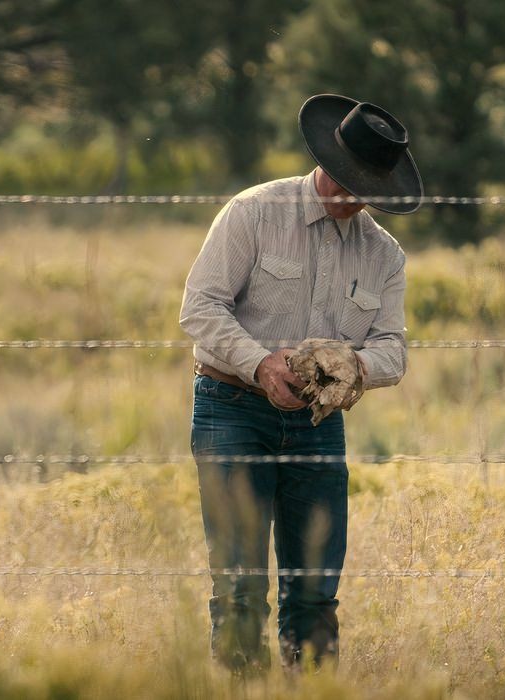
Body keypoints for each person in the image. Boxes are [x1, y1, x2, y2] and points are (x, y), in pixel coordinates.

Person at [178, 94, 422, 672]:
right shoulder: (254, 212)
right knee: (238, 585)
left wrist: (354, 369)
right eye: (342, 180)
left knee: (314, 589)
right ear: (323, 160)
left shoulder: (384, 255)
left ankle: (312, 686)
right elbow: (200, 307)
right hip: (231, 408)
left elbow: (393, 349)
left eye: (364, 188)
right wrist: (262, 364)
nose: (348, 196)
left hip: (316, 427)